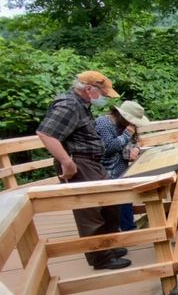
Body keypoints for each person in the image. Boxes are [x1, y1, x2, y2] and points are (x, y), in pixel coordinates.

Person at [36, 71, 131, 270]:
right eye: (103, 93)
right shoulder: (69, 104)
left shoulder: (82, 105)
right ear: (89, 89)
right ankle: (101, 258)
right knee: (90, 211)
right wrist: (67, 162)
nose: (104, 98)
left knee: (110, 203)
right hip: (80, 163)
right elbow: (45, 133)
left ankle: (109, 246)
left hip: (93, 163)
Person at [96, 101, 150, 231]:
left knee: (127, 200)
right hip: (106, 171)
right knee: (115, 205)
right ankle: (120, 232)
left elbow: (134, 141)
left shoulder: (125, 125)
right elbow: (109, 147)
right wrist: (127, 134)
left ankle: (129, 229)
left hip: (122, 170)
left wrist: (135, 148)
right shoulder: (104, 123)